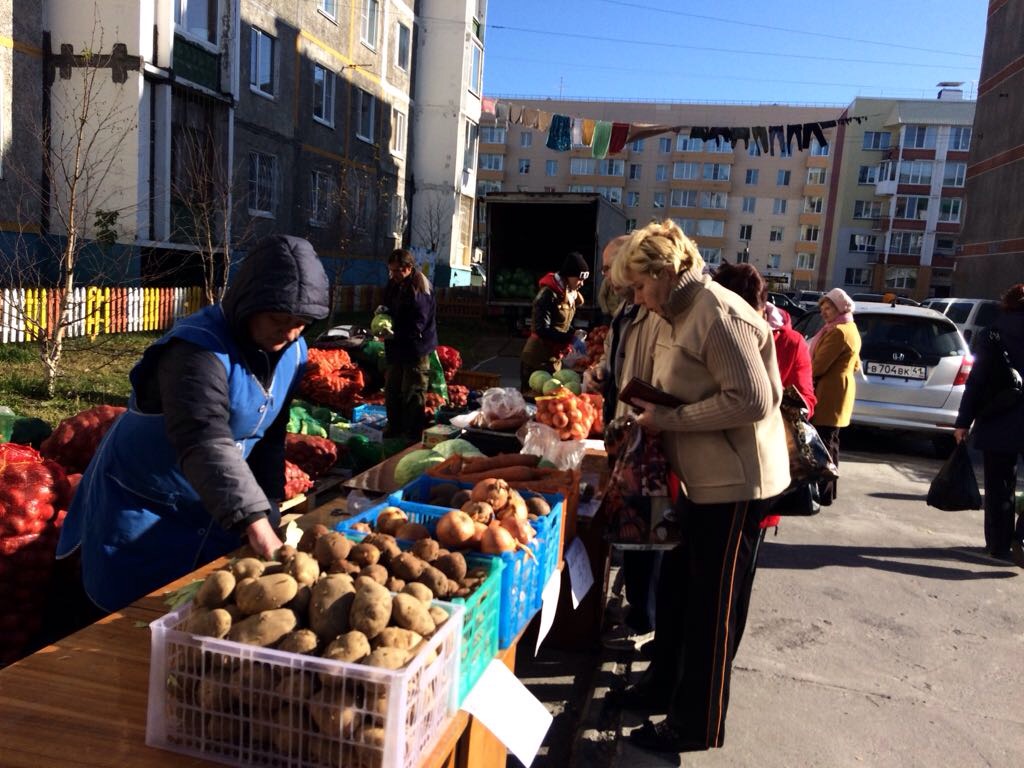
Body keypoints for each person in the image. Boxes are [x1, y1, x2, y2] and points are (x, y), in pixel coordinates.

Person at [55, 235, 330, 616]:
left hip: (211, 502)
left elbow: (270, 434)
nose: (289, 333)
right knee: (122, 627)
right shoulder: (196, 350)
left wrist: (269, 503)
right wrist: (253, 519)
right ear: (249, 304)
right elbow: (204, 438)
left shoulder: (293, 351)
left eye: (300, 323)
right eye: (278, 319)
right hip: (142, 506)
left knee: (197, 619)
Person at [606, 220, 790, 755]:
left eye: (638, 287)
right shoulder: (675, 309)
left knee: (712, 607)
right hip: (702, 481)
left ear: (664, 273)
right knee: (680, 592)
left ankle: (696, 725)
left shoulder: (717, 312)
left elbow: (757, 400)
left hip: (737, 485)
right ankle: (662, 686)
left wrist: (672, 420)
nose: (636, 299)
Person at [584, 234, 664, 652]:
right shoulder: (627, 310)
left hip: (646, 434)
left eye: (611, 267)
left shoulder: (655, 313)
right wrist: (598, 373)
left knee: (647, 529)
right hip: (624, 426)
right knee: (630, 526)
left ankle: (644, 616)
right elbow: (615, 358)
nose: (607, 276)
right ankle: (636, 607)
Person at [953, 283, 1024, 566]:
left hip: (998, 418)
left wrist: (963, 422)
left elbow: (977, 381)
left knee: (998, 484)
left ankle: (998, 544)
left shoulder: (992, 333)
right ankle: (1022, 537)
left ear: (1006, 304)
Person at [808, 288, 861, 505]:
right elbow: (856, 364)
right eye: (822, 308)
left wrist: (803, 371)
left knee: (824, 442)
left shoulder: (838, 332)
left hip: (829, 392)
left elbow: (818, 366)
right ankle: (828, 491)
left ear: (840, 307)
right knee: (831, 441)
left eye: (828, 308)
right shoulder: (849, 327)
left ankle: (823, 492)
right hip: (839, 389)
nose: (824, 312)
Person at [381, 248, 438, 441]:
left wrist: (395, 334)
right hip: (396, 346)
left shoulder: (420, 287)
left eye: (397, 271)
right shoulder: (394, 284)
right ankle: (394, 427)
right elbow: (388, 304)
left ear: (408, 268)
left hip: (415, 348)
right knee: (392, 388)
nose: (393, 275)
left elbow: (418, 324)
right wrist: (382, 313)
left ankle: (412, 435)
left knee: (413, 391)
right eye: (391, 271)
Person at [519, 251, 589, 391]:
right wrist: (570, 338)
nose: (581, 283)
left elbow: (561, 324)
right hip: (537, 359)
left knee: (553, 402)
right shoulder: (548, 294)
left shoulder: (569, 293)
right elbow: (541, 329)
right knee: (533, 402)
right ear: (568, 275)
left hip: (554, 358)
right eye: (579, 279)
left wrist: (574, 334)